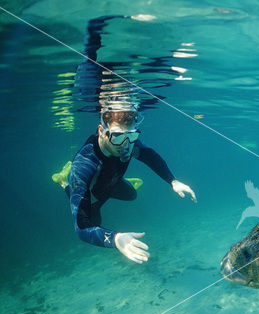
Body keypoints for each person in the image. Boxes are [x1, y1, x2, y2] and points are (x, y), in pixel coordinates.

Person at [52, 102, 196, 264]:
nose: (125, 144)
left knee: (132, 195)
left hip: (110, 183)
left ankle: (113, 181)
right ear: (101, 131)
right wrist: (116, 239)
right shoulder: (84, 166)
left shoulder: (127, 141)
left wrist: (173, 181)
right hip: (93, 195)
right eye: (118, 137)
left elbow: (151, 157)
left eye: (132, 136)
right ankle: (64, 181)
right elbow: (82, 228)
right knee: (95, 222)